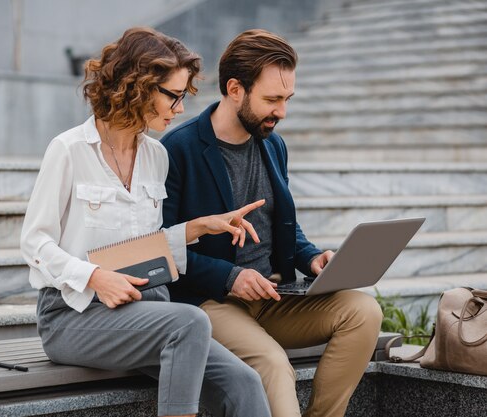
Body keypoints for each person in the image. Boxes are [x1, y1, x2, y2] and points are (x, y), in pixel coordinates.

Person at [20, 27, 272, 417]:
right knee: (190, 322)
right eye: (173, 96)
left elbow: (142, 250)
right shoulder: (69, 150)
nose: (180, 109)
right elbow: (35, 244)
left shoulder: (156, 156)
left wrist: (197, 229)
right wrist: (94, 277)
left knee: (244, 383)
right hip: (73, 316)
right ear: (137, 88)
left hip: (145, 311)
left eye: (183, 96)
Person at [161, 29, 384, 417]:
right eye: (272, 99)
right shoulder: (178, 149)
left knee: (364, 312)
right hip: (212, 301)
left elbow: (281, 226)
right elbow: (162, 248)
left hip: (274, 297)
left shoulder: (273, 143)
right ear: (235, 89)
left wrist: (313, 259)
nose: (282, 112)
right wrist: (231, 277)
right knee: (273, 363)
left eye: (287, 99)